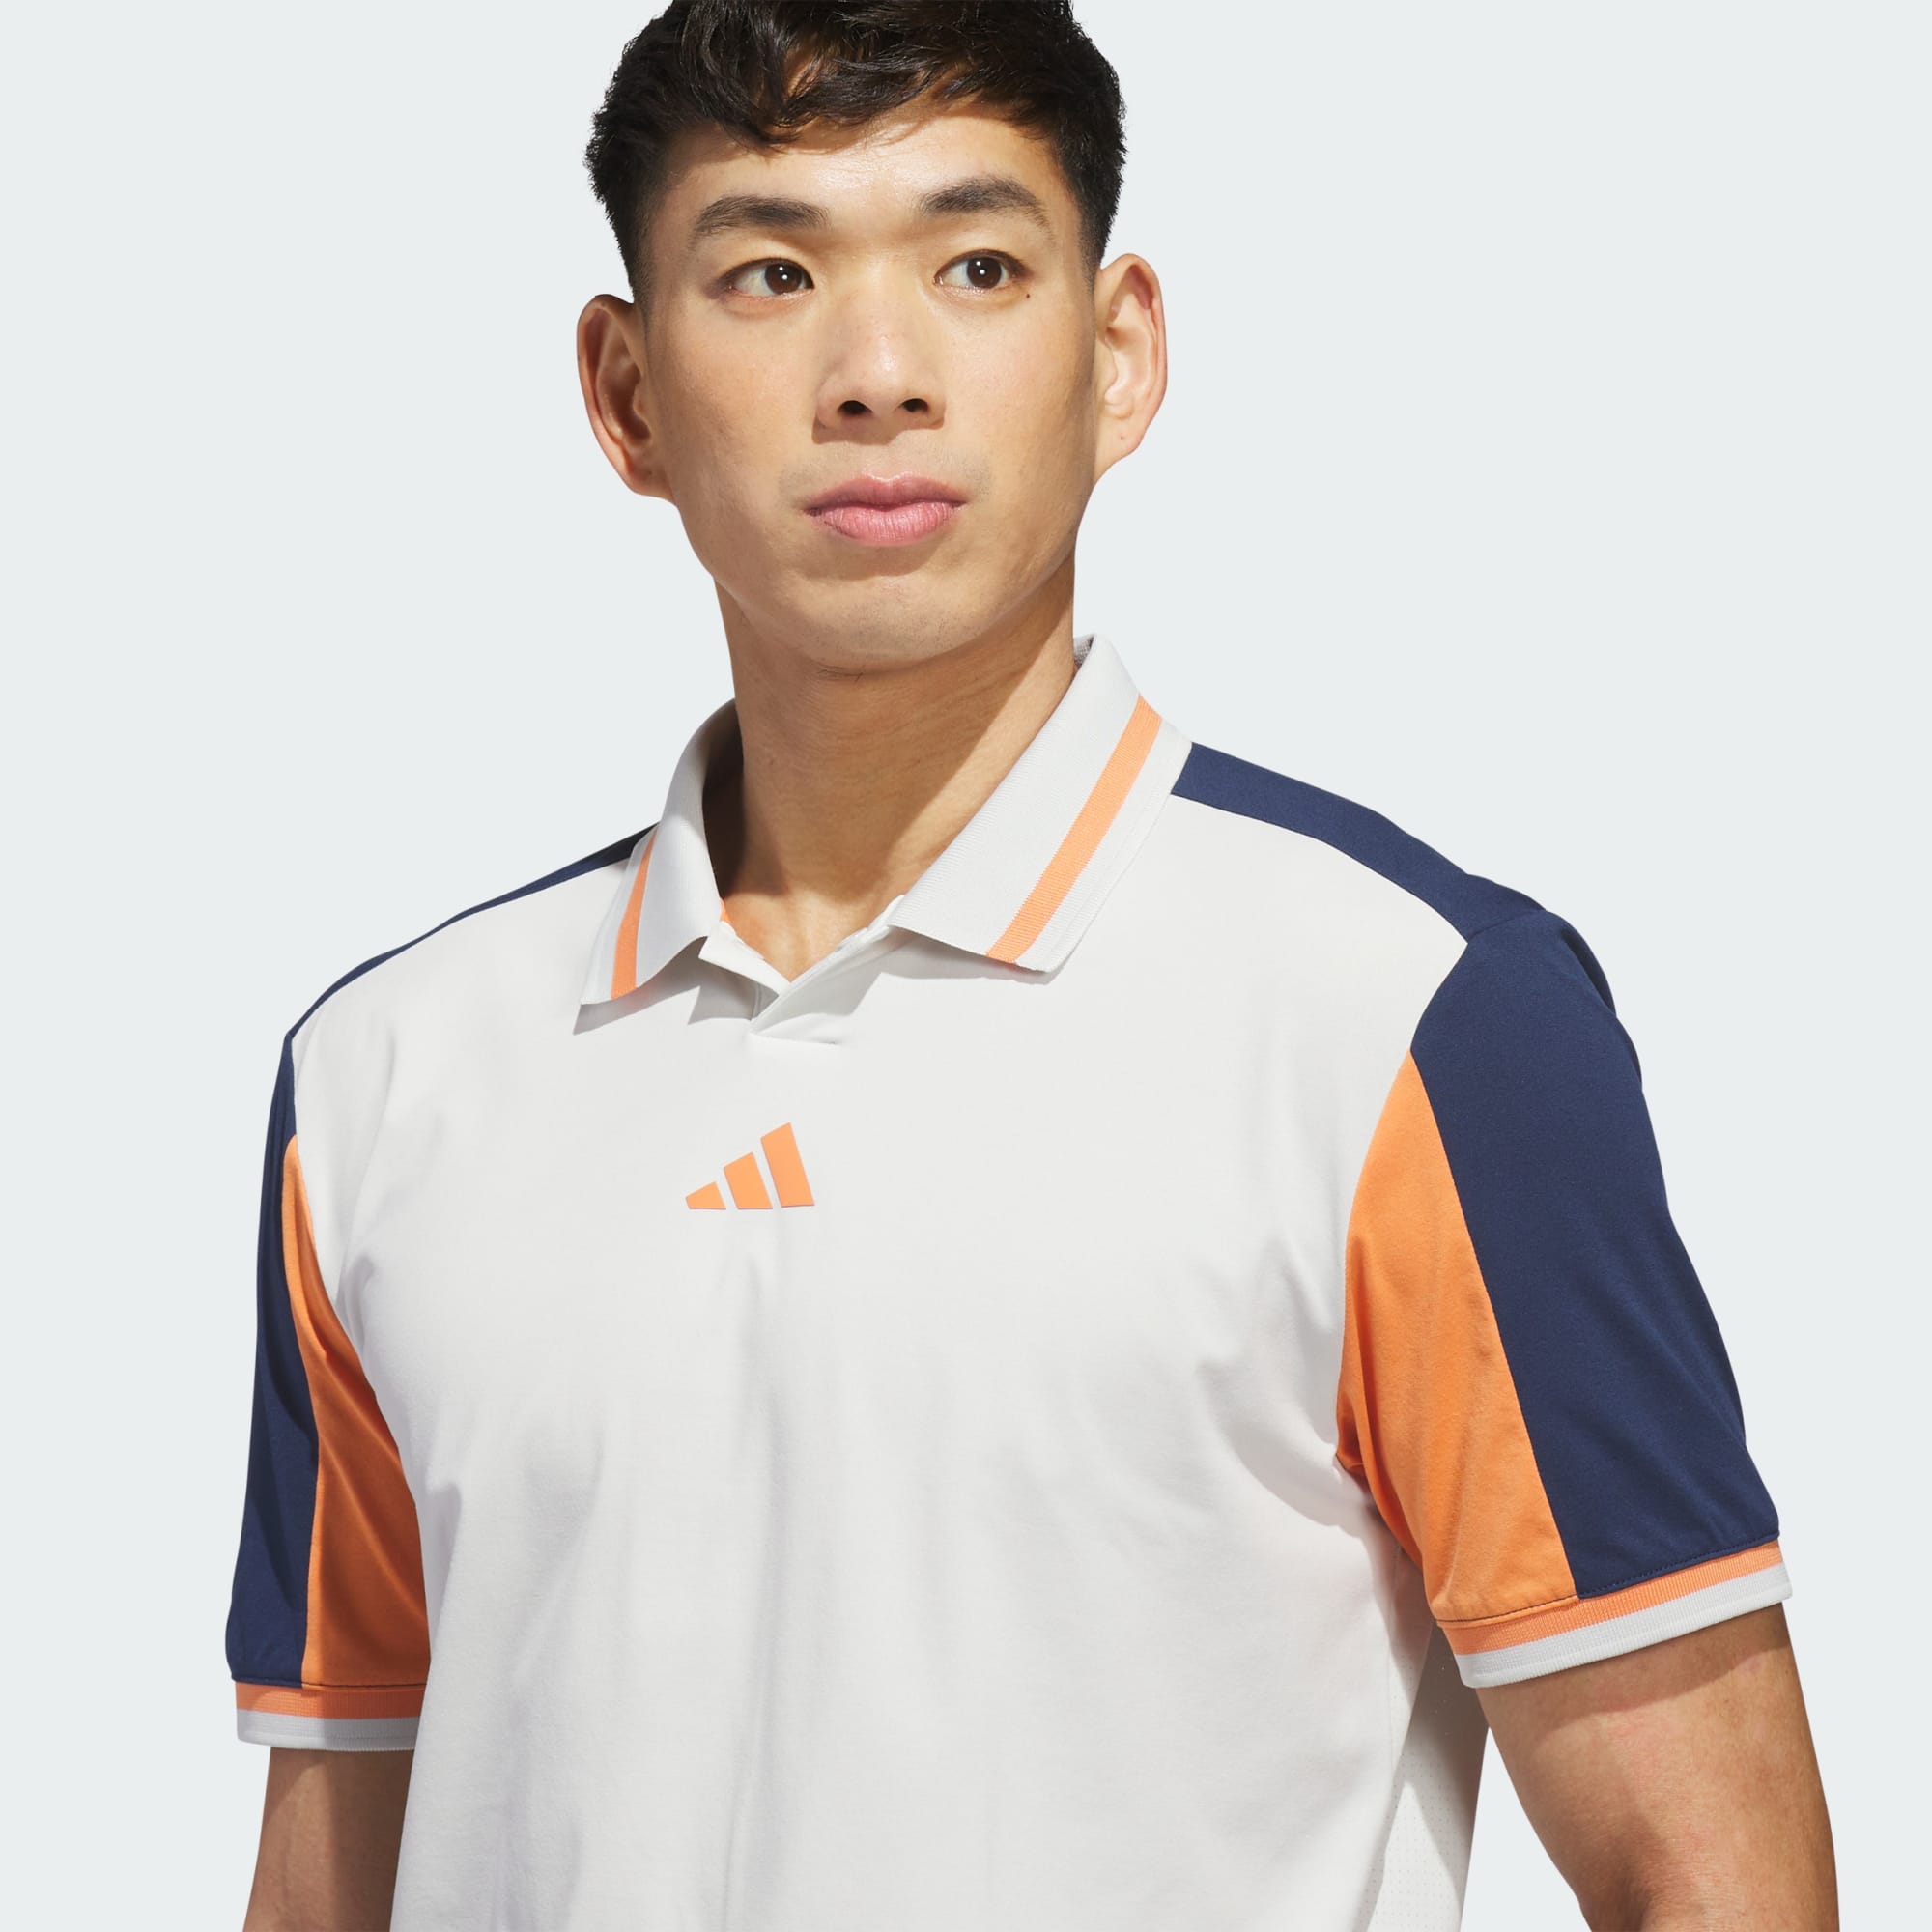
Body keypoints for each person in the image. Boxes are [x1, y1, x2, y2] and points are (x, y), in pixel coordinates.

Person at [225, 4, 1835, 1926]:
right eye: (769, 273)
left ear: (1118, 349)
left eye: (977, 265)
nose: (877, 375)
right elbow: (331, 1874)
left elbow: (1713, 1876)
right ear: (626, 391)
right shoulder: (387, 1079)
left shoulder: (1414, 1021)